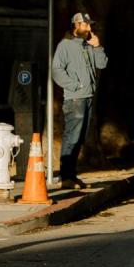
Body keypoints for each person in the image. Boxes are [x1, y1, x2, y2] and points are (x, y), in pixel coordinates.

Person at [51, 12, 108, 189]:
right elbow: (56, 70)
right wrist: (75, 85)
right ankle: (65, 176)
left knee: (80, 138)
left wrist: (98, 47)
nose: (89, 28)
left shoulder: (88, 44)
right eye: (86, 25)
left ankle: (71, 175)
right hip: (75, 98)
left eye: (90, 25)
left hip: (88, 97)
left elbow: (102, 64)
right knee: (72, 137)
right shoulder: (65, 45)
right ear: (76, 25)